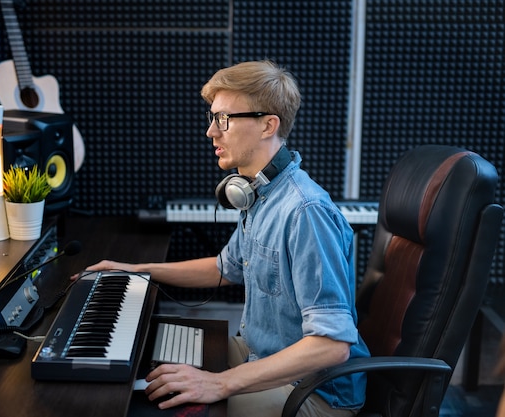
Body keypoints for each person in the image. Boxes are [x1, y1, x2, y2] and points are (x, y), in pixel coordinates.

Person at [80, 60, 370, 417]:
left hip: (314, 393)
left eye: (224, 119)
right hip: (261, 356)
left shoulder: (304, 211)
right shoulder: (258, 195)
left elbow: (331, 346)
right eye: (213, 118)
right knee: (146, 362)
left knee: (159, 408)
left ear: (268, 125)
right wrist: (136, 270)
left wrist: (220, 383)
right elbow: (224, 268)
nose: (211, 132)